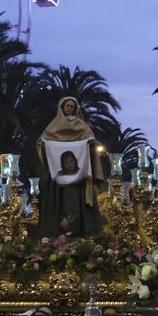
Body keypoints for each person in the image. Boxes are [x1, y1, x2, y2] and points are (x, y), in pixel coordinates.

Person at [36, 97, 106, 238]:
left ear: (75, 109)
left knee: (79, 207)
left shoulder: (82, 126)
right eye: (67, 106)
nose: (69, 109)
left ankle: (84, 234)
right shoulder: (53, 126)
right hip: (58, 184)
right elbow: (42, 142)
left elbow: (90, 141)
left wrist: (91, 143)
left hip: (80, 181)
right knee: (57, 205)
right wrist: (44, 145)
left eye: (72, 107)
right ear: (62, 108)